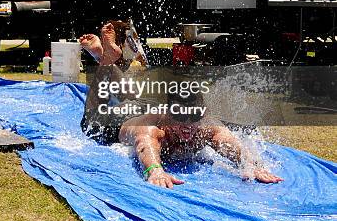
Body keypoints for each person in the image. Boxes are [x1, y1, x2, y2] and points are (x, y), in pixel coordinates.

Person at [79, 23, 283, 188]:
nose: (187, 125)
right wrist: (155, 171)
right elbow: (144, 145)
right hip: (118, 120)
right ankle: (105, 59)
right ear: (168, 115)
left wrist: (251, 165)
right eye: (180, 118)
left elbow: (231, 144)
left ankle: (103, 57)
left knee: (131, 95)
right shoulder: (152, 129)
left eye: (193, 118)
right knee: (94, 113)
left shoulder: (207, 125)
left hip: (143, 107)